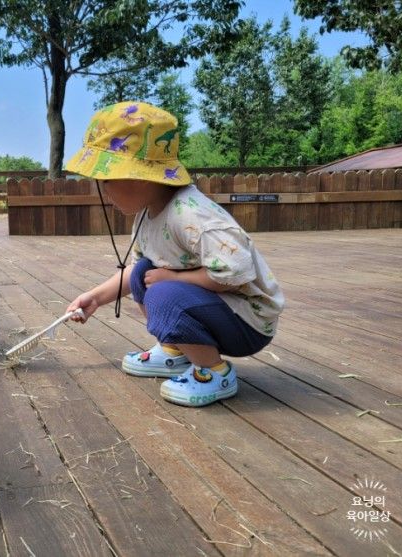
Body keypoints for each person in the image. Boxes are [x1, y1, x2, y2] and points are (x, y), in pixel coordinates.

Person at [64, 101, 284, 407]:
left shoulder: (191, 216)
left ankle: (214, 371)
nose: (102, 190)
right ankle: (175, 351)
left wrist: (174, 277)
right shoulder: (147, 214)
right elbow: (140, 270)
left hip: (248, 320)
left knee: (162, 293)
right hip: (216, 305)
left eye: (106, 180)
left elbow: (236, 271)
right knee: (145, 273)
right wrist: (96, 297)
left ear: (139, 175)